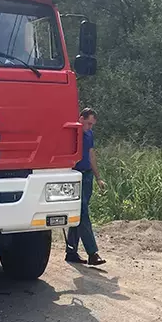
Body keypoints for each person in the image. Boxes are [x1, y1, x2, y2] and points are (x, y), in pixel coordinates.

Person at [65, 108, 107, 266]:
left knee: (79, 214)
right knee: (82, 213)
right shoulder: (71, 133)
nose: (90, 127)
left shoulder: (89, 134)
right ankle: (92, 253)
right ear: (80, 119)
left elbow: (91, 156)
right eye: (88, 123)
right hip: (74, 176)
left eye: (92, 124)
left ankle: (71, 251)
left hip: (87, 176)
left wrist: (98, 178)